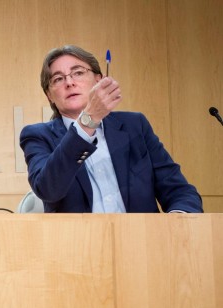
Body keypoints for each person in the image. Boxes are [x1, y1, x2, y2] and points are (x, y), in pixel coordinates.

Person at [20, 45, 202, 213]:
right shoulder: (37, 136)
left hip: (143, 241)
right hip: (78, 244)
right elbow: (48, 189)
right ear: (49, 95)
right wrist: (88, 121)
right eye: (58, 79)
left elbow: (179, 190)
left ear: (98, 80)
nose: (69, 82)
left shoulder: (134, 126)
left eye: (78, 73)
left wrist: (179, 221)